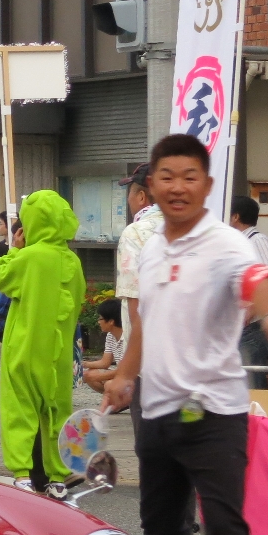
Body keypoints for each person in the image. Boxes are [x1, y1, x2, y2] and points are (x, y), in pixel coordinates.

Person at [105, 134, 268, 535]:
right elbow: (145, 324)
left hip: (213, 410)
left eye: (190, 176)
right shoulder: (153, 248)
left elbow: (256, 281)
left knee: (226, 529)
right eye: (167, 177)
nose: (178, 186)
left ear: (207, 186)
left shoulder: (226, 244)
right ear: (151, 187)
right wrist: (123, 377)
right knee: (162, 525)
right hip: (158, 409)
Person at [0, 190, 84, 493]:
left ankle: (21, 473)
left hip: (25, 344)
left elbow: (2, 278)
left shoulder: (30, 257)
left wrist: (15, 249)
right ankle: (59, 475)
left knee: (20, 408)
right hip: (57, 352)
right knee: (57, 410)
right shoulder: (73, 261)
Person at [114, 163, 163, 437]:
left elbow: (136, 303)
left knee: (152, 449)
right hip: (193, 368)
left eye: (130, 194)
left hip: (148, 363)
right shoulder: (199, 229)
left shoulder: (136, 233)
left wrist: (128, 370)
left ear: (142, 196)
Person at [228, 194, 268, 370]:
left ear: (235, 217)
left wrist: (250, 311)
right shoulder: (239, 243)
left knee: (253, 382)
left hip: (253, 329)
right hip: (242, 330)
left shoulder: (256, 240)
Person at [82, 298, 124, 392]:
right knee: (89, 374)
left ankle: (118, 402)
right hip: (122, 375)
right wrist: (83, 364)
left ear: (111, 321)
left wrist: (102, 376)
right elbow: (105, 362)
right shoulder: (110, 335)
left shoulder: (128, 337)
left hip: (134, 378)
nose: (98, 322)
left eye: (100, 318)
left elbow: (127, 370)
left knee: (109, 384)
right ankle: (115, 401)